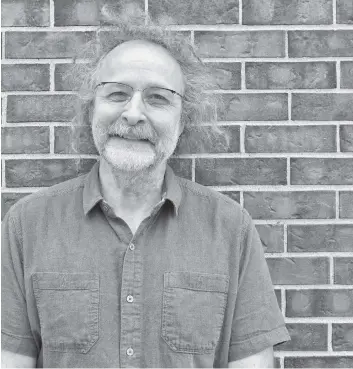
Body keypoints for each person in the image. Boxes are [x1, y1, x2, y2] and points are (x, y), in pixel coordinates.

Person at [1, 8, 290, 368]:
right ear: (91, 109)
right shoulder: (26, 226)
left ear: (183, 121)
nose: (134, 113)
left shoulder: (231, 229)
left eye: (158, 98)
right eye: (117, 93)